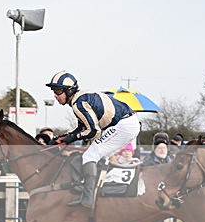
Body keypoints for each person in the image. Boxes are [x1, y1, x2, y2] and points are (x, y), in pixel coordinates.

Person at [46, 71, 140, 209]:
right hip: (124, 124)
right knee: (96, 155)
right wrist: (65, 138)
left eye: (58, 91)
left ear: (69, 90)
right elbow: (83, 127)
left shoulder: (78, 104)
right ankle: (101, 190)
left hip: (124, 125)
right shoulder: (79, 99)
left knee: (90, 155)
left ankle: (88, 198)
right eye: (54, 91)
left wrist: (70, 138)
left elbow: (94, 131)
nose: (55, 95)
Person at [141, 134, 173, 222]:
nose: (161, 150)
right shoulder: (148, 162)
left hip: (169, 197)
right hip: (153, 198)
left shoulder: (172, 161)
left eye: (164, 148)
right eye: (159, 148)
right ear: (154, 149)